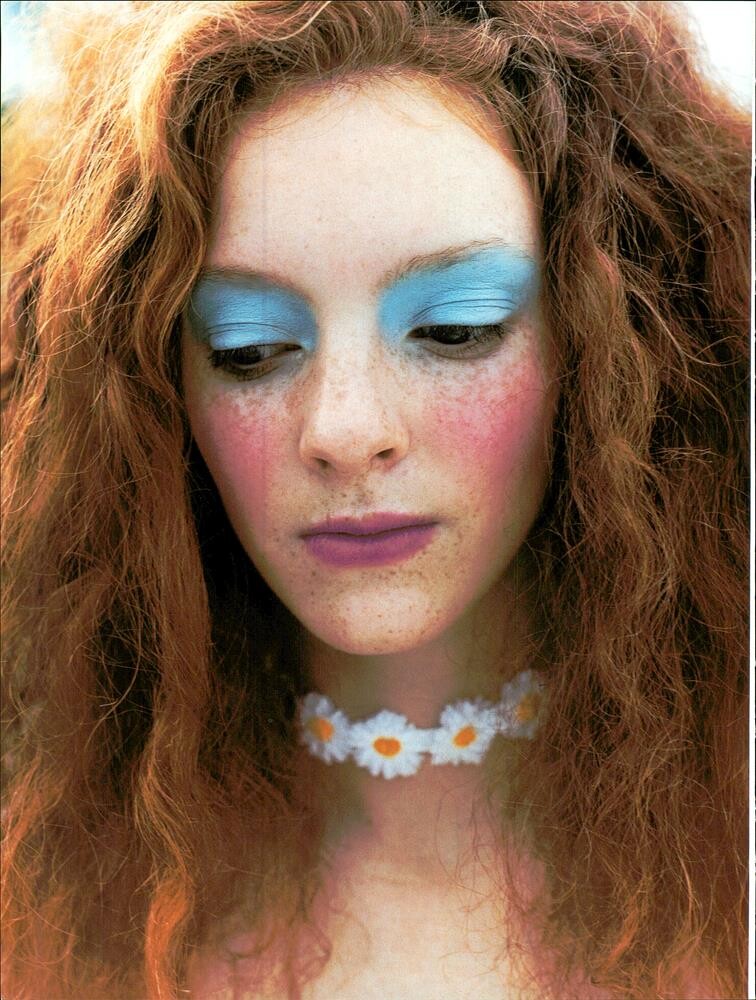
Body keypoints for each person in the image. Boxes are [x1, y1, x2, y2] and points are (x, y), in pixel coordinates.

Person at [1, 2, 749, 998]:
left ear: (615, 346)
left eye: (455, 328)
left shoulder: (730, 875)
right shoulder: (54, 902)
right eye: (250, 348)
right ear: (153, 390)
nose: (345, 429)